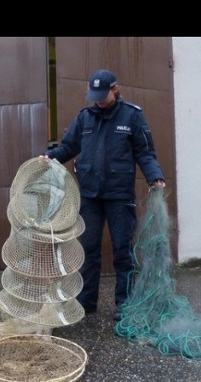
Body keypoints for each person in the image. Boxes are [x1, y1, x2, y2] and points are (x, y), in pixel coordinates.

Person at [40, 69, 166, 321]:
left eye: (102, 94)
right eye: (94, 94)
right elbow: (68, 147)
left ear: (114, 89)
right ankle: (87, 302)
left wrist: (155, 176)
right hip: (89, 195)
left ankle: (125, 303)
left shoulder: (132, 116)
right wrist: (49, 156)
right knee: (88, 249)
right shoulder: (84, 118)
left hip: (120, 195)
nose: (97, 99)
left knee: (122, 250)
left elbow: (145, 152)